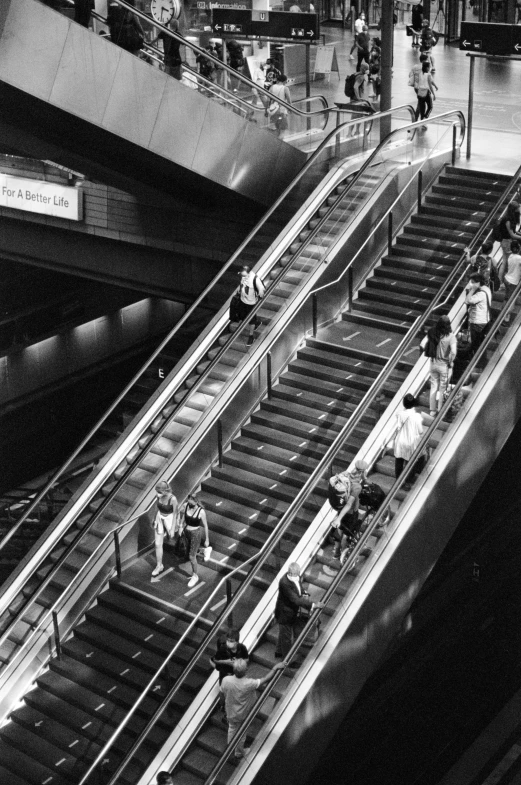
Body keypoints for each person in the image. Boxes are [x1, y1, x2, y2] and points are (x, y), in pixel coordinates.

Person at [221, 658, 287, 758]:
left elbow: (221, 693)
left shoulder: (226, 680)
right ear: (246, 670)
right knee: (241, 734)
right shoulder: (248, 683)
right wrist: (275, 668)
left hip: (230, 711)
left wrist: (224, 706)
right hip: (242, 714)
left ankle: (230, 747)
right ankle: (239, 752)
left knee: (232, 728)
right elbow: (265, 679)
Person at [274, 563, 324, 660]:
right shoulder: (284, 583)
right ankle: (286, 660)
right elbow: (295, 599)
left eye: (298, 573)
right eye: (295, 574)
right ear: (290, 573)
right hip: (285, 614)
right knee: (287, 639)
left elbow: (299, 587)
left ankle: (279, 652)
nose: (297, 575)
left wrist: (303, 592)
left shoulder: (296, 577)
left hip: (290, 612)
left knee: (283, 634)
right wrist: (312, 605)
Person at [331, 459, 369, 563]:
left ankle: (336, 553)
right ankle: (345, 555)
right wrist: (339, 519)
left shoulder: (344, 474)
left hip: (340, 509)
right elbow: (349, 504)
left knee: (339, 532)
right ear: (362, 471)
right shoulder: (357, 487)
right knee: (346, 536)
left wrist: (338, 518)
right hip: (351, 513)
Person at [420, 315, 457, 416]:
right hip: (444, 365)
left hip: (433, 363)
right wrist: (451, 360)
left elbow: (422, 344)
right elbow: (453, 351)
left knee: (433, 386)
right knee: (442, 388)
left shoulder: (432, 332)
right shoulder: (451, 336)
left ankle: (432, 410)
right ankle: (440, 409)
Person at [211, 628, 249, 721]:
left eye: (231, 641)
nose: (228, 643)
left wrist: (238, 662)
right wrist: (227, 662)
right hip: (225, 675)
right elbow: (215, 660)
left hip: (236, 675)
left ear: (236, 642)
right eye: (228, 640)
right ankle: (223, 707)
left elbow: (247, 659)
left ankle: (229, 713)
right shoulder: (223, 649)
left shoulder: (242, 648)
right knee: (224, 693)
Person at [391, 393, 424, 490]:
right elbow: (420, 431)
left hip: (400, 440)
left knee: (399, 461)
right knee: (411, 462)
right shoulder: (417, 416)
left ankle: (398, 481)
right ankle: (408, 481)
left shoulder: (399, 414)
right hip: (411, 442)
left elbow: (398, 427)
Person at [179, 494, 209, 588]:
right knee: (190, 550)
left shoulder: (201, 511)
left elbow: (206, 526)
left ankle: (195, 575)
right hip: (186, 531)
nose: (189, 504)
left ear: (196, 502)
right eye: (188, 502)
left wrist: (207, 539)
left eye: (191, 503)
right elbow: (183, 516)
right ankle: (204, 550)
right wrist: (180, 526)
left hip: (196, 533)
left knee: (192, 557)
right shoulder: (186, 505)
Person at [152, 481, 177, 577]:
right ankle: (159, 565)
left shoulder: (172, 499)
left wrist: (172, 528)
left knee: (178, 539)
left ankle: (201, 551)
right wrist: (154, 518)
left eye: (159, 492)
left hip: (170, 519)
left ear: (165, 491)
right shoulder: (158, 496)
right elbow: (156, 507)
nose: (157, 494)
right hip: (160, 518)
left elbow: (175, 513)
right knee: (158, 544)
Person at [235, 265, 265, 346]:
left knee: (250, 319)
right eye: (242, 275)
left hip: (251, 302)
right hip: (243, 300)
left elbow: (261, 290)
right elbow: (242, 285)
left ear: (249, 274)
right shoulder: (244, 277)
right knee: (243, 316)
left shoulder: (255, 279)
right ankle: (257, 322)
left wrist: (259, 297)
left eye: (244, 275)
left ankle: (251, 336)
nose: (243, 277)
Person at [465, 273, 492, 358]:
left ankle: (477, 361)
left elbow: (467, 301)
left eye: (473, 282)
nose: (471, 284)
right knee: (479, 342)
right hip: (484, 320)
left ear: (478, 282)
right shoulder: (486, 289)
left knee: (476, 343)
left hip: (477, 321)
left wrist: (472, 290)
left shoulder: (480, 294)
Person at [497, 202, 521, 278]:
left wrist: (519, 234)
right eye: (518, 208)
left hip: (507, 241)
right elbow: (512, 235)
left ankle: (500, 281)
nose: (519, 209)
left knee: (505, 262)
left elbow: (513, 231)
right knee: (507, 262)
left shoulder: (511, 218)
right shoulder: (507, 220)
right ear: (514, 209)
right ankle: (503, 280)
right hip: (507, 242)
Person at [268, 73, 292, 139]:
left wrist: (267, 110)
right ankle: (279, 144)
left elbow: (268, 99)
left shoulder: (272, 87)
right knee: (282, 131)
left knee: (277, 129)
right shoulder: (285, 88)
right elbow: (289, 100)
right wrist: (290, 109)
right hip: (282, 111)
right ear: (284, 81)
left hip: (273, 111)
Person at [502, 240, 521, 316]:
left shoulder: (510, 256)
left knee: (506, 298)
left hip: (507, 279)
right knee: (511, 302)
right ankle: (504, 316)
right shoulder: (519, 258)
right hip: (513, 282)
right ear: (517, 249)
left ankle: (502, 313)